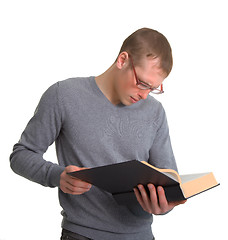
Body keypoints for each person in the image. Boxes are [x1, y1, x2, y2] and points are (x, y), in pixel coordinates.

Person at [10, 28, 186, 240]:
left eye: (154, 88)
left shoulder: (155, 111)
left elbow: (168, 181)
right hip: (82, 235)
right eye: (142, 84)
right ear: (123, 60)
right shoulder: (63, 95)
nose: (144, 95)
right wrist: (58, 176)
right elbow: (21, 154)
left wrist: (163, 206)